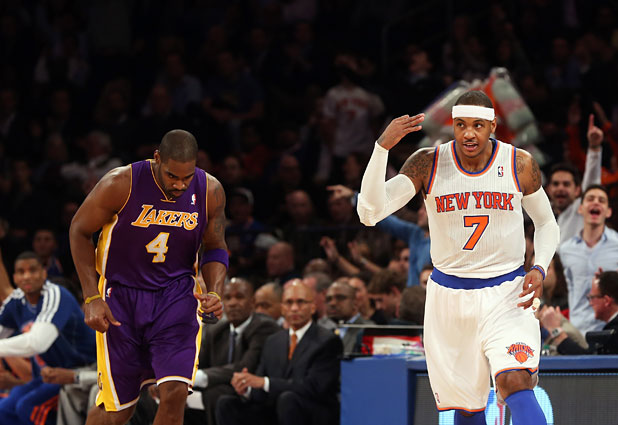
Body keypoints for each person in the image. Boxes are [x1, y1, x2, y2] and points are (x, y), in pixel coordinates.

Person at [357, 91, 560, 425]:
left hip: (507, 292)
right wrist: (382, 148)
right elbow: (369, 213)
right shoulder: (427, 162)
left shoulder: (519, 163)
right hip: (449, 297)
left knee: (515, 381)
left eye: (478, 125)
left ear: (493, 126)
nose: (468, 133)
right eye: (461, 124)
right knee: (467, 408)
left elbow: (546, 223)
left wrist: (539, 267)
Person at [69, 129, 228, 425]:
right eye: (172, 176)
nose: (180, 185)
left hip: (177, 297)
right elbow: (79, 230)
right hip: (121, 297)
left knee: (175, 393)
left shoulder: (210, 190)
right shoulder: (120, 183)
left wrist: (215, 291)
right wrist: (91, 297)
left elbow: (216, 246)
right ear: (157, 158)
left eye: (186, 177)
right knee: (118, 411)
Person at [215, 280, 342, 425]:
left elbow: (314, 388)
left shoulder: (327, 340)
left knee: (287, 399)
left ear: (313, 307)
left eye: (300, 302)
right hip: (277, 410)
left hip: (312, 411)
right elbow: (261, 384)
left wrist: (265, 382)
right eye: (289, 303)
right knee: (226, 402)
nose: (294, 308)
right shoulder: (273, 341)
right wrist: (246, 388)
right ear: (282, 308)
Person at [0, 251, 96, 425]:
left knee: (28, 407)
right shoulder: (16, 301)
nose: (27, 276)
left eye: (32, 270)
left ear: (44, 273)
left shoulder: (56, 294)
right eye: (21, 272)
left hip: (83, 369)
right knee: (5, 409)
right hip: (49, 375)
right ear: (15, 277)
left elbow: (37, 343)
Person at [187, 277, 280, 425]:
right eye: (228, 298)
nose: (232, 303)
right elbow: (199, 362)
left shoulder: (264, 327)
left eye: (239, 297)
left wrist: (201, 377)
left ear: (252, 302)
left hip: (255, 394)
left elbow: (245, 367)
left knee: (215, 395)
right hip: (224, 387)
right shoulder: (216, 330)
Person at [558, 184, 618, 334]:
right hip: (577, 329)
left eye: (601, 200)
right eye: (590, 199)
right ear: (580, 208)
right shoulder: (565, 249)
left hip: (611, 330)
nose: (596, 202)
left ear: (608, 212)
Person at [546, 113, 602, 244]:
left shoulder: (581, 209)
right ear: (548, 189)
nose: (560, 188)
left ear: (577, 190)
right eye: (556, 184)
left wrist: (594, 149)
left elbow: (592, 184)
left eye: (566, 184)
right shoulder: (541, 213)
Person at [540, 271, 618, 354]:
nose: (590, 303)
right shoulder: (612, 328)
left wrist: (556, 331)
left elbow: (591, 360)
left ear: (607, 301)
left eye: (592, 297)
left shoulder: (615, 331)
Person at [324, 280, 374, 355]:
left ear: (355, 302)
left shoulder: (368, 329)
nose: (332, 303)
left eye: (340, 298)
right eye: (329, 299)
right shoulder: (321, 329)